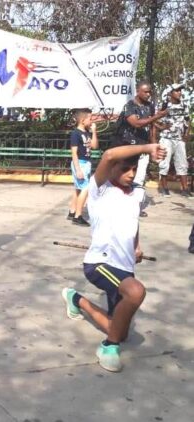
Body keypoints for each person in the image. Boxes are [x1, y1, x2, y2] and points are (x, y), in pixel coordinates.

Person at [61, 142, 167, 372]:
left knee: (119, 330)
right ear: (110, 170)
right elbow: (108, 155)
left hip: (125, 266)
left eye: (134, 169)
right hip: (100, 263)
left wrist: (136, 246)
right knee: (136, 291)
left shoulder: (138, 193)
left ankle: (75, 299)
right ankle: (108, 347)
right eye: (124, 169)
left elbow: (132, 221)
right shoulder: (100, 189)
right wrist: (148, 147)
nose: (130, 174)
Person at [113, 80, 167, 215]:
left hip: (143, 147)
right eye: (146, 92)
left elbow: (152, 126)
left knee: (139, 178)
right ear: (138, 91)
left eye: (150, 92)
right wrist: (156, 116)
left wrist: (154, 145)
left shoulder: (150, 106)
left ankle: (135, 207)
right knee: (123, 177)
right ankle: (118, 204)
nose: (149, 94)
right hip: (126, 147)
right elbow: (136, 123)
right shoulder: (129, 106)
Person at [157, 83, 191, 198]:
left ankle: (185, 189)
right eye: (177, 90)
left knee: (182, 163)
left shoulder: (184, 104)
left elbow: (187, 120)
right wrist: (161, 127)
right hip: (166, 139)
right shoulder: (165, 105)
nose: (180, 92)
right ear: (171, 93)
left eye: (181, 90)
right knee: (164, 164)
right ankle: (164, 188)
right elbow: (153, 119)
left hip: (179, 139)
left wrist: (186, 134)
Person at [67, 109, 99, 226]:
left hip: (86, 163)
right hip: (80, 163)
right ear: (82, 120)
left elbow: (95, 146)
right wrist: (78, 169)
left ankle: (72, 211)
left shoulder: (87, 132)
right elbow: (74, 153)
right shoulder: (75, 133)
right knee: (86, 188)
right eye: (90, 118)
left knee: (79, 188)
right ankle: (78, 216)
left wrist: (94, 131)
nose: (91, 121)